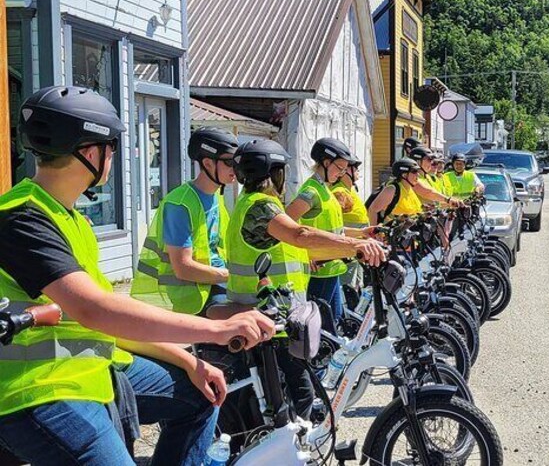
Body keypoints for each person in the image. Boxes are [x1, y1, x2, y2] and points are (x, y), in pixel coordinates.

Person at [0, 86, 275, 465]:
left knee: (202, 395)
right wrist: (216, 330)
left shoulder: (70, 218)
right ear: (90, 152)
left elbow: (111, 321)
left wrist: (192, 362)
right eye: (111, 147)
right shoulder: (23, 217)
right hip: (41, 389)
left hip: (93, 371)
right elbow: (95, 310)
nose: (114, 156)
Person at [208, 140, 384, 418]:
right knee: (300, 394)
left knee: (291, 391)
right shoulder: (262, 207)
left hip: (274, 313)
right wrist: (355, 247)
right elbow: (299, 235)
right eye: (282, 170)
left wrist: (356, 239)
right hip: (267, 316)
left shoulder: (251, 203)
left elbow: (298, 243)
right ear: (273, 172)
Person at [132, 127, 238, 316]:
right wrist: (233, 276)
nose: (235, 168)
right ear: (207, 163)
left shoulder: (216, 196)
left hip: (213, 283)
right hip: (194, 295)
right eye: (229, 162)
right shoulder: (180, 204)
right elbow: (183, 268)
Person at [286, 138, 374, 323]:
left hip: (333, 267)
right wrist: (304, 255)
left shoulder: (325, 189)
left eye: (344, 170)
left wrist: (363, 233)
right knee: (325, 328)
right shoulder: (311, 192)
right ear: (326, 163)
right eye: (340, 168)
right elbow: (285, 226)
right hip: (320, 271)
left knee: (337, 322)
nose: (342, 173)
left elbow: (335, 231)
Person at [368, 158, 459, 224]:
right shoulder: (392, 189)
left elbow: (428, 194)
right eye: (414, 172)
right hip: (393, 242)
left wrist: (426, 210)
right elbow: (373, 210)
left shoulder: (410, 188)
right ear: (404, 174)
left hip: (410, 240)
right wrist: (374, 234)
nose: (418, 175)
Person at [331, 155, 370, 306]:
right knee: (348, 289)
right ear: (346, 171)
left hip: (357, 249)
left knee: (357, 286)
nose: (359, 172)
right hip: (347, 251)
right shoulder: (340, 192)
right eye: (356, 169)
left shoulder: (349, 190)